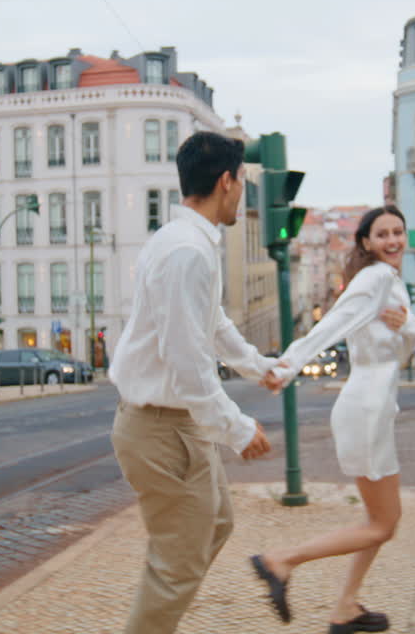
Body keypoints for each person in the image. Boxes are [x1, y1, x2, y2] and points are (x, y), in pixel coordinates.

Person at [108, 131, 281, 634]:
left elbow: (212, 324)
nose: (242, 191)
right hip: (161, 430)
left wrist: (256, 365)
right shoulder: (187, 252)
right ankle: (158, 608)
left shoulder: (188, 242)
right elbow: (187, 363)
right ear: (226, 182)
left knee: (215, 523)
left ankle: (161, 601)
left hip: (176, 426)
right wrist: (238, 427)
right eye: (242, 182)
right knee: (176, 567)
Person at [250, 205, 415, 634]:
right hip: (365, 409)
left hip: (372, 408)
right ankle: (282, 561)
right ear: (366, 242)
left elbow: (404, 351)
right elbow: (333, 325)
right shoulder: (377, 279)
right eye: (382, 234)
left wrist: (408, 328)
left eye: (398, 232)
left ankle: (345, 607)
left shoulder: (389, 282)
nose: (393, 241)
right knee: (384, 523)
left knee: (380, 522)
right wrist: (288, 367)